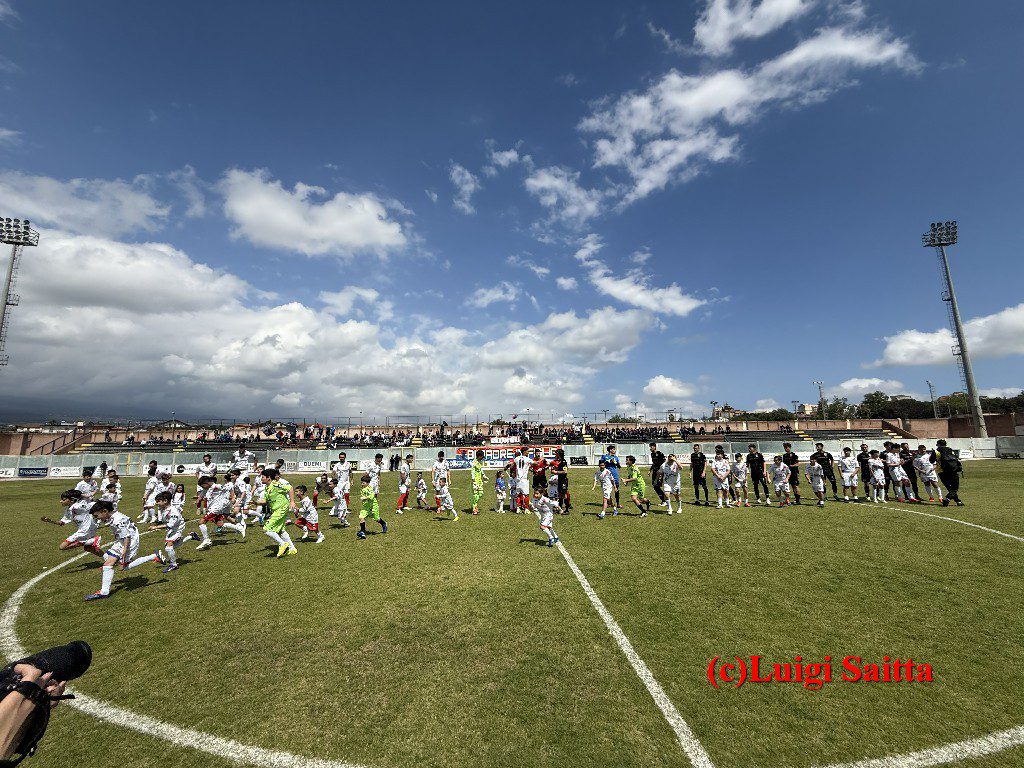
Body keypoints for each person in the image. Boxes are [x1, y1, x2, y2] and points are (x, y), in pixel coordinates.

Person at [85, 501, 167, 600]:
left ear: (105, 511)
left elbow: (127, 536)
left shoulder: (117, 520)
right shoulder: (114, 516)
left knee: (122, 568)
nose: (97, 518)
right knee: (108, 564)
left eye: (96, 516)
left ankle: (153, 556)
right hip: (121, 541)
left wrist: (124, 551)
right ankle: (104, 592)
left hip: (129, 543)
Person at [147, 491, 200, 572]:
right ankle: (191, 536)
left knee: (168, 547)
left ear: (165, 501)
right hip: (173, 529)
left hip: (178, 529)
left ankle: (173, 565)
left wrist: (155, 527)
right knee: (170, 547)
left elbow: (170, 524)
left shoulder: (173, 512)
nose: (156, 503)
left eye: (158, 501)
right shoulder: (164, 509)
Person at [195, 475, 246, 550]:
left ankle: (206, 540)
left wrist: (233, 497)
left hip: (217, 508)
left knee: (201, 522)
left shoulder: (217, 486)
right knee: (220, 524)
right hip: (212, 508)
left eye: (203, 486)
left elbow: (229, 488)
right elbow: (201, 495)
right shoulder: (206, 489)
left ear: (207, 483)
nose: (203, 488)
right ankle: (239, 527)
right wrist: (198, 500)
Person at [261, 467, 298, 557]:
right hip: (277, 510)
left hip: (281, 509)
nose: (261, 478)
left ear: (268, 478)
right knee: (281, 530)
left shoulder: (275, 484)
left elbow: (290, 488)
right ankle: (292, 548)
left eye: (262, 477)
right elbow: (265, 501)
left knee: (266, 529)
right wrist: (254, 502)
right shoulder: (267, 488)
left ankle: (282, 544)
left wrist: (292, 501)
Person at [56, 490, 104, 558]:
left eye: (63, 500)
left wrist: (97, 503)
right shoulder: (69, 509)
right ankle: (107, 558)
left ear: (72, 500)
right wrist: (50, 521)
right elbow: (63, 521)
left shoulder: (78, 506)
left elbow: (88, 506)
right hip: (85, 529)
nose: (60, 501)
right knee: (88, 548)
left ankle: (94, 539)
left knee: (62, 547)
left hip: (85, 530)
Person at [934, 439, 965, 506]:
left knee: (949, 487)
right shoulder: (951, 450)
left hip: (941, 471)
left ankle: (954, 500)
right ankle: (954, 500)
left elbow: (931, 461)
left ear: (938, 444)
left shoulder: (936, 451)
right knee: (955, 488)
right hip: (953, 470)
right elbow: (955, 459)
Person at [599, 445, 622, 512]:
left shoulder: (616, 457)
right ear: (610, 450)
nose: (615, 451)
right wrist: (608, 461)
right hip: (606, 476)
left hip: (614, 475)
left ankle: (618, 503)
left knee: (616, 489)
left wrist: (616, 463)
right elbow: (600, 463)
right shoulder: (604, 456)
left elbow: (619, 466)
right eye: (614, 449)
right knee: (606, 489)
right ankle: (609, 502)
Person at [550, 448, 570, 513]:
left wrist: (556, 472)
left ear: (558, 454)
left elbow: (565, 471)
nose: (555, 455)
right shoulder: (560, 461)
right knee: (560, 494)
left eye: (556, 454)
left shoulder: (563, 461)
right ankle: (560, 508)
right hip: (560, 480)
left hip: (563, 480)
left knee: (564, 495)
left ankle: (567, 509)